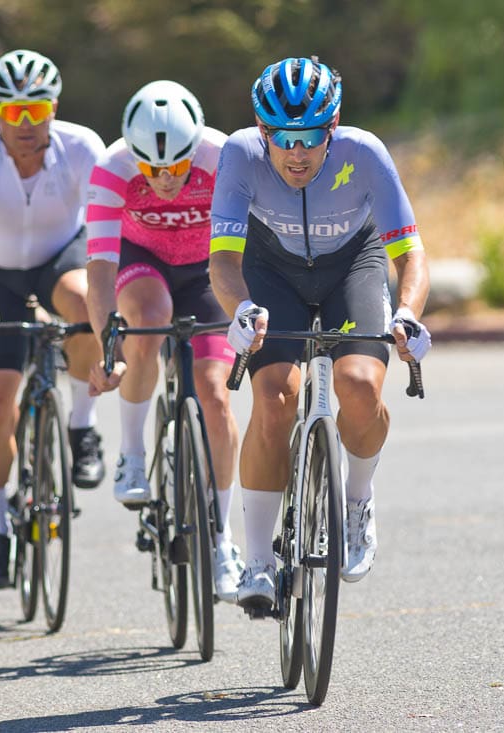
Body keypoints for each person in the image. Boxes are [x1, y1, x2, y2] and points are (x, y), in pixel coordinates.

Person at [209, 56, 432, 609]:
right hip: (271, 269)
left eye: (311, 136)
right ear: (262, 131)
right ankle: (258, 560)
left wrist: (406, 314)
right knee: (275, 395)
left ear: (332, 128)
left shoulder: (365, 153)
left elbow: (411, 253)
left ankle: (357, 501)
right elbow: (223, 261)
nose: (296, 152)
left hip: (352, 266)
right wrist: (240, 310)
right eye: (281, 138)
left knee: (358, 386)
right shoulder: (239, 153)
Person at [0, 49, 106, 589]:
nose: (26, 124)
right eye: (13, 113)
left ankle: (82, 427)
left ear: (52, 109)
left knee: (87, 305)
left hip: (60, 258)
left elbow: (108, 233)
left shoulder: (83, 147)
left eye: (36, 111)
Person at [84, 80, 245, 601]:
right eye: (152, 170)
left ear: (194, 148)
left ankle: (222, 539)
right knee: (148, 321)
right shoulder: (112, 168)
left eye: (176, 167)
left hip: (207, 269)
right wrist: (106, 347)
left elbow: (255, 246)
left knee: (215, 394)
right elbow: (101, 270)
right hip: (142, 261)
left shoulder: (222, 156)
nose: (166, 179)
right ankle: (132, 451)